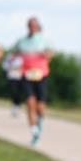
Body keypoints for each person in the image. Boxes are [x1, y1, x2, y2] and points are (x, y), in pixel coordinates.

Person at [12, 17, 53, 145]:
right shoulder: (22, 41)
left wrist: (46, 55)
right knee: (30, 103)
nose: (32, 28)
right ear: (28, 27)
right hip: (26, 75)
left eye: (34, 25)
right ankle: (34, 132)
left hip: (41, 75)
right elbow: (14, 54)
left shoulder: (44, 40)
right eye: (30, 25)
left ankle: (39, 121)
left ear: (38, 27)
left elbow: (50, 54)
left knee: (40, 107)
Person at [4, 51, 24, 117]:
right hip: (12, 77)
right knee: (14, 92)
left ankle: (17, 106)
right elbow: (5, 66)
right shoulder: (9, 57)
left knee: (19, 93)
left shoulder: (22, 57)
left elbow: (22, 67)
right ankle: (14, 105)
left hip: (20, 78)